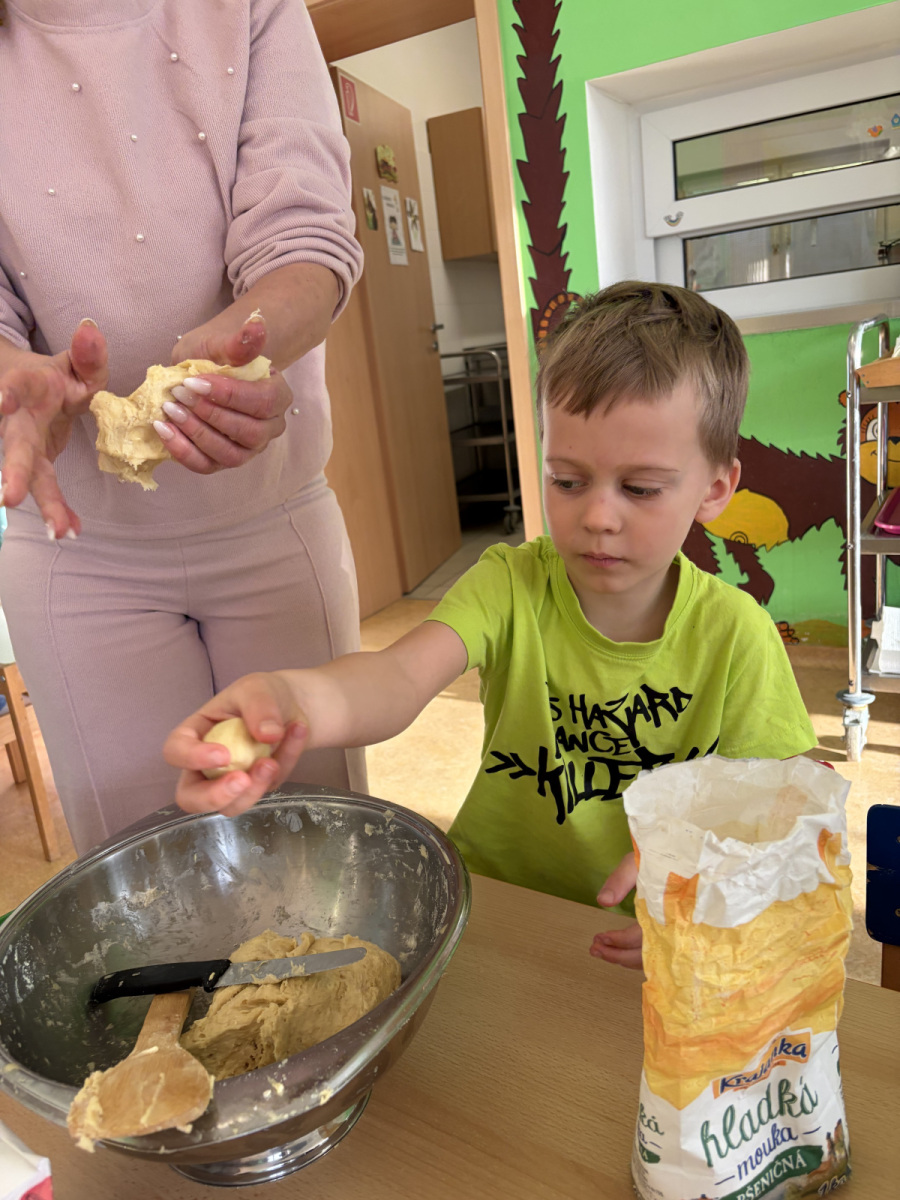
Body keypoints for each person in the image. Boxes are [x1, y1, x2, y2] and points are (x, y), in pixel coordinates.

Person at [164, 282, 817, 967]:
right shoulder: (510, 583)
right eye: (567, 481)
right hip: (494, 903)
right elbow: (395, 677)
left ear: (715, 489)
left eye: (640, 489)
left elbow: (790, 800)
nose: (598, 517)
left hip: (652, 928)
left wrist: (718, 880)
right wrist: (291, 699)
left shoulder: (736, 634)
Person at [0, 0, 365, 854]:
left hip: (272, 518)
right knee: (143, 866)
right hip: (76, 550)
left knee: (316, 849)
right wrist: (13, 376)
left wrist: (247, 348)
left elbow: (304, 232)